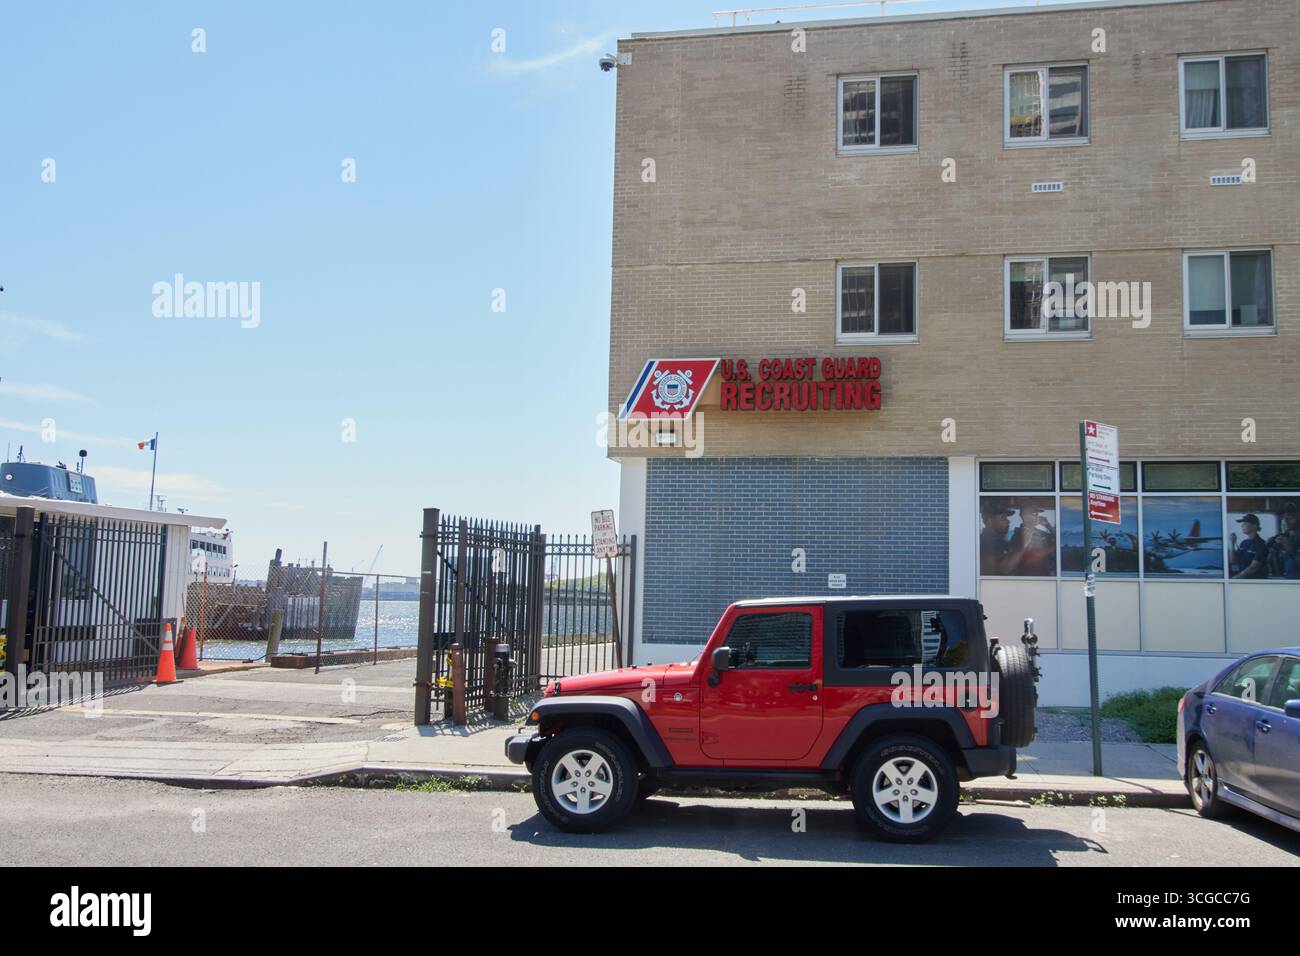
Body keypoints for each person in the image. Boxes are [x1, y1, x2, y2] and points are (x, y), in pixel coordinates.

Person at [1012, 500, 1056, 576]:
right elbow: (1035, 555)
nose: (1037, 516)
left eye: (1037, 514)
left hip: (1044, 576)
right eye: (1034, 514)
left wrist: (1048, 526)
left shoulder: (1039, 532)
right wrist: (1052, 548)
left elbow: (1059, 539)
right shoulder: (1019, 535)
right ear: (1024, 516)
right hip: (1030, 578)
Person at [1229, 513, 1269, 579]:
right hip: (1240, 579)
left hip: (1252, 582)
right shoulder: (1244, 543)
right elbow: (1233, 561)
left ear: (1255, 526)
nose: (1242, 525)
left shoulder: (1261, 545)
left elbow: (1253, 568)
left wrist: (1235, 578)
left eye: (1245, 523)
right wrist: (1232, 544)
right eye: (1242, 524)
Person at [1268, 503, 1300, 580]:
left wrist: (1290, 549)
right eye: (1284, 518)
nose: (1287, 520)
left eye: (1291, 516)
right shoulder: (1281, 537)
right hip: (1286, 582)